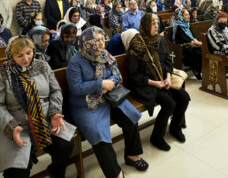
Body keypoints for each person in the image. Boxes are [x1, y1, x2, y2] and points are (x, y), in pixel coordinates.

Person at [67, 27, 148, 178]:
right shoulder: (75, 61)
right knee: (99, 134)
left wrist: (110, 82)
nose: (101, 43)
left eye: (101, 38)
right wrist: (100, 84)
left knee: (130, 117)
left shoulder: (105, 55)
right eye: (96, 40)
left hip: (110, 96)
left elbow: (117, 74)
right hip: (86, 104)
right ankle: (115, 173)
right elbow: (76, 88)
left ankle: (132, 156)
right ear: (87, 43)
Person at [0, 36, 74, 178]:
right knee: (17, 170)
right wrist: (11, 126)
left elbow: (56, 91)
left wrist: (54, 112)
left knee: (66, 145)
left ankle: (56, 172)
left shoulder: (42, 65)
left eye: (29, 53)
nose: (26, 59)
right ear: (11, 56)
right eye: (19, 55)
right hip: (18, 125)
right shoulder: (3, 72)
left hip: (45, 119)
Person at [127, 13, 190, 151]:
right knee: (169, 104)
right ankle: (156, 137)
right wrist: (155, 83)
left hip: (163, 80)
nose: (157, 26)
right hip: (145, 85)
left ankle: (175, 128)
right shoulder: (136, 45)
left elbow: (167, 61)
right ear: (145, 26)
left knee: (184, 98)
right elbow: (134, 75)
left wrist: (168, 77)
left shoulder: (159, 40)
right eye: (153, 24)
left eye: (157, 23)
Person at [173, 9, 202, 80]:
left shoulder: (187, 24)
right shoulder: (179, 26)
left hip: (190, 44)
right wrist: (194, 42)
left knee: (202, 50)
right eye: (186, 15)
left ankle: (198, 69)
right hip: (182, 47)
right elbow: (183, 39)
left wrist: (196, 40)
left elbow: (192, 35)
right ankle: (196, 70)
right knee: (198, 53)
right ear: (181, 16)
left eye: (188, 14)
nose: (189, 16)